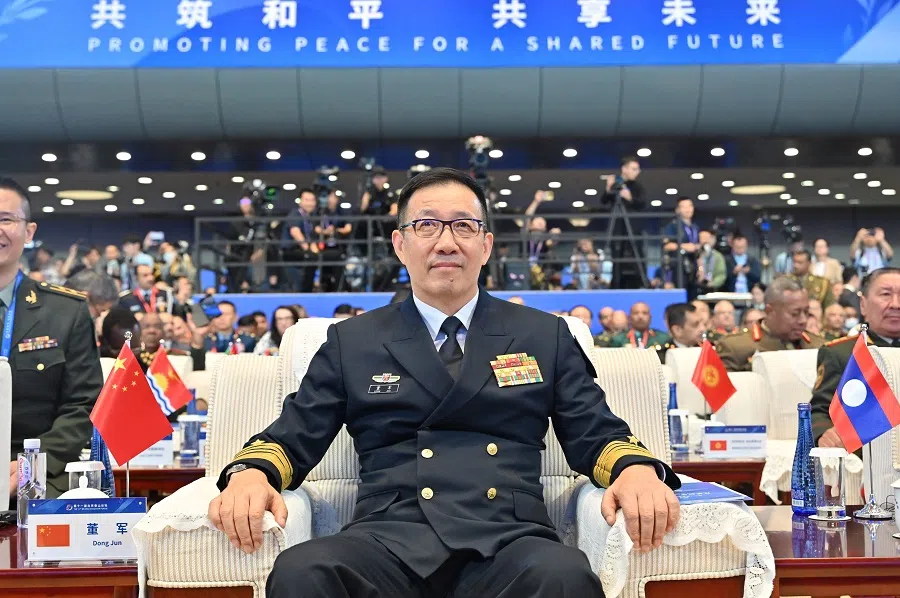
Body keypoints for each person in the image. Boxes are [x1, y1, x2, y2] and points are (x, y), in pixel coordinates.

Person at [208, 168, 679, 598]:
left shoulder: (543, 335)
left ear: (486, 245)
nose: (447, 242)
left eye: (464, 226)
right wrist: (253, 474)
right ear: (399, 244)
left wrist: (634, 470)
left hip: (508, 541)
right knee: (303, 571)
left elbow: (594, 430)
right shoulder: (353, 341)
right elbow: (294, 434)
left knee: (564, 575)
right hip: (386, 539)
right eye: (427, 225)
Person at [0, 179, 103, 498]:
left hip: (37, 469)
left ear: (29, 232)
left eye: (6, 219)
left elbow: (83, 404)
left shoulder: (66, 311)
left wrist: (31, 464)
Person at [811, 268, 900, 448]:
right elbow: (820, 411)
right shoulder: (842, 353)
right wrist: (824, 434)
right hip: (866, 456)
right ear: (863, 304)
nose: (895, 304)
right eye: (886, 294)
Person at [716, 277, 824, 372]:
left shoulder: (820, 347)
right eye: (794, 314)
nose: (803, 320)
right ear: (769, 311)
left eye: (806, 312)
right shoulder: (735, 347)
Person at [600, 156, 646, 289]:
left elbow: (642, 204)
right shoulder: (616, 184)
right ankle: (616, 284)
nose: (637, 172)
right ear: (624, 169)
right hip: (617, 226)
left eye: (637, 169)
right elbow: (604, 201)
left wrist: (630, 197)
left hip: (633, 227)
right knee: (616, 254)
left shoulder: (638, 187)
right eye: (633, 169)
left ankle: (641, 283)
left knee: (637, 253)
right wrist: (608, 188)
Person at [661, 197, 700, 297]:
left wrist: (701, 267)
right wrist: (684, 246)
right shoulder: (673, 226)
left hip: (693, 266)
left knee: (693, 296)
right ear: (677, 210)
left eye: (690, 206)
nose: (688, 209)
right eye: (684, 207)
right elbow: (667, 246)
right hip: (678, 267)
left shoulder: (695, 227)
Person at [696, 229, 726, 294]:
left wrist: (711, 284)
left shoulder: (718, 256)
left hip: (712, 290)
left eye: (707, 238)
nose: (704, 241)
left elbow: (721, 275)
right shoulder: (693, 255)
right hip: (695, 288)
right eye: (702, 238)